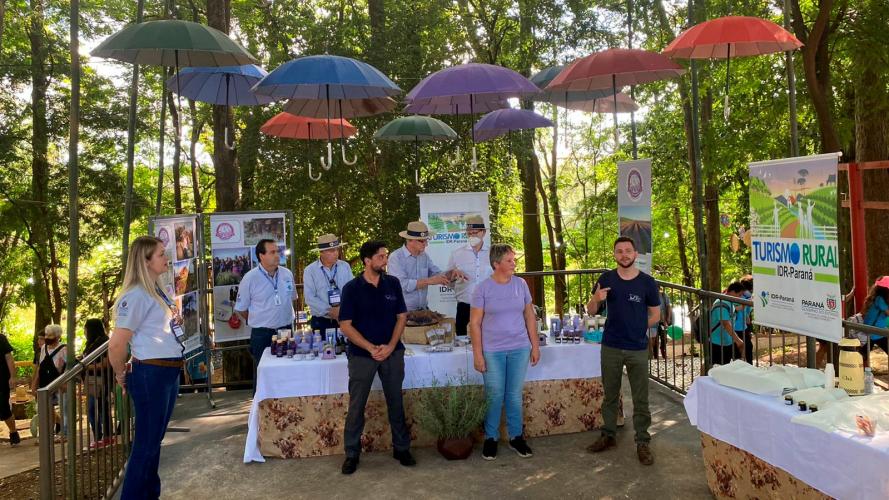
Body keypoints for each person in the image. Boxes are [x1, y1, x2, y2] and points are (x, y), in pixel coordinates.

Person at [109, 236, 186, 500]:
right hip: (151, 374)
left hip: (166, 372)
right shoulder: (136, 295)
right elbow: (117, 345)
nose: (167, 258)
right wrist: (121, 374)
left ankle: (149, 494)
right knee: (145, 445)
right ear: (145, 261)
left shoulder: (156, 290)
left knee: (153, 442)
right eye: (161, 254)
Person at [338, 240, 414, 474]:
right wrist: (371, 348)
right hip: (362, 355)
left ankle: (401, 448)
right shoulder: (352, 288)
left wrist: (391, 346)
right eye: (381, 257)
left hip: (393, 353)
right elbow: (345, 325)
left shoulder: (393, 283)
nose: (385, 260)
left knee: (396, 402)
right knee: (357, 405)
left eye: (386, 256)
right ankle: (351, 453)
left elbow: (402, 316)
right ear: (367, 261)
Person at [585, 237, 660, 465]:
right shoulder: (606, 279)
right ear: (614, 255)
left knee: (641, 398)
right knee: (610, 395)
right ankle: (608, 435)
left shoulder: (647, 282)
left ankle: (643, 442)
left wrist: (640, 328)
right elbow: (590, 311)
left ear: (635, 254)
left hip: (637, 347)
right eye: (619, 251)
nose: (624, 255)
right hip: (611, 346)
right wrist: (596, 299)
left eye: (628, 251)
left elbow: (655, 314)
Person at [469, 243, 540, 460]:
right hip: (492, 351)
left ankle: (516, 437)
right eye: (509, 260)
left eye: (514, 260)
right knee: (494, 395)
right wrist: (478, 354)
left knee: (513, 395)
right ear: (496, 264)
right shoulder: (482, 289)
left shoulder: (521, 284)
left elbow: (529, 316)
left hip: (519, 348)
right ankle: (491, 439)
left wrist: (535, 345)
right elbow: (474, 324)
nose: (514, 263)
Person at [235, 238, 298, 391]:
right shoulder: (250, 278)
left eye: (278, 251)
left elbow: (293, 298)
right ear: (261, 256)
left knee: (287, 371)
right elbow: (241, 308)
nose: (277, 255)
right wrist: (258, 320)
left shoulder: (286, 274)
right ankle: (261, 410)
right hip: (262, 334)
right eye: (272, 252)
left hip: (286, 330)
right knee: (263, 374)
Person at [388, 220, 465, 311]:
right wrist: (429, 281)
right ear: (409, 240)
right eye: (422, 241)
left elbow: (436, 274)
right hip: (402, 312)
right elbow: (401, 285)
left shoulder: (424, 256)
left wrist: (451, 273)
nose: (426, 244)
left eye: (426, 240)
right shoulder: (396, 257)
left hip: (423, 310)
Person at [448, 215, 493, 336]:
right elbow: (448, 280)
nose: (472, 236)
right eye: (469, 233)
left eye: (475, 232)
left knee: (490, 339)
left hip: (489, 307)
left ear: (483, 233)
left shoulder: (493, 253)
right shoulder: (457, 254)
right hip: (464, 307)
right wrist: (453, 274)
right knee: (463, 343)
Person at [303, 234, 353, 336]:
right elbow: (310, 298)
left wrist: (342, 310)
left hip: (345, 319)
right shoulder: (310, 270)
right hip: (321, 322)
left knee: (346, 349)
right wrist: (330, 311)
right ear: (321, 252)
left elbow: (352, 291)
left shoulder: (345, 266)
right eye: (331, 251)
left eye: (336, 249)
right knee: (324, 350)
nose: (336, 253)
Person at [31, 324, 68, 439]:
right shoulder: (43, 348)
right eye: (46, 335)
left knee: (64, 409)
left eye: (50, 335)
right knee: (46, 410)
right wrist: (34, 384)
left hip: (60, 383)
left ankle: (65, 433)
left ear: (57, 336)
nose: (47, 337)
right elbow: (40, 367)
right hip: (45, 383)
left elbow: (69, 368)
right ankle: (49, 433)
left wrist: (65, 383)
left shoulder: (64, 349)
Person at [82, 318, 112, 448]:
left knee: (101, 407)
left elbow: (106, 363)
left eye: (86, 328)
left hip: (102, 380)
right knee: (92, 408)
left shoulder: (104, 342)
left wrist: (86, 366)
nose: (84, 331)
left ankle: (107, 436)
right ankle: (98, 435)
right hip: (90, 380)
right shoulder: (90, 343)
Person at [709, 282, 746, 366]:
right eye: (739, 295)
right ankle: (703, 378)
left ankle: (720, 378)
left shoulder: (729, 301)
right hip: (716, 341)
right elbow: (725, 323)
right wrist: (738, 340)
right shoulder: (721, 304)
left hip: (726, 340)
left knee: (725, 364)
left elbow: (734, 310)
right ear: (733, 292)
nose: (740, 297)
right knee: (710, 363)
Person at [860, 276, 889, 367]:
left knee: (863, 355)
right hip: (875, 333)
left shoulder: (876, 298)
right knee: (862, 355)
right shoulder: (880, 299)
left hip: (873, 331)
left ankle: (861, 373)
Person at [1, 331, 19, 446]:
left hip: (1, 379)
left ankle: (13, 432)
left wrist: (13, 377)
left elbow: (9, 358)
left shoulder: (1, 338)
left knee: (3, 407)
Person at [647, 288, 672, 359]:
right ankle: (655, 356)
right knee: (653, 338)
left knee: (664, 337)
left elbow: (668, 306)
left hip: (662, 321)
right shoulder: (648, 295)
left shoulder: (664, 295)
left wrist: (668, 318)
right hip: (652, 320)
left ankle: (663, 352)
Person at [737, 275, 754, 363]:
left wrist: (749, 330)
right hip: (739, 327)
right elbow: (747, 316)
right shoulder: (746, 298)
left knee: (744, 350)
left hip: (741, 327)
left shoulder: (739, 296)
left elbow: (746, 316)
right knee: (747, 350)